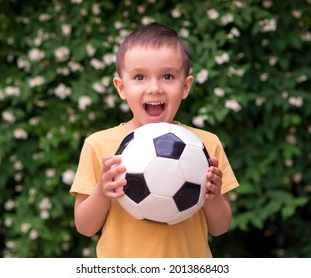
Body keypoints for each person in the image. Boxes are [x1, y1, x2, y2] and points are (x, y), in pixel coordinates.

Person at [70, 22, 239, 257]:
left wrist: (214, 196)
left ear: (186, 86)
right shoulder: (98, 145)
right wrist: (101, 191)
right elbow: (85, 227)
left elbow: (220, 228)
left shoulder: (206, 145)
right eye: (140, 77)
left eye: (167, 76)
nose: (154, 88)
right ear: (121, 87)